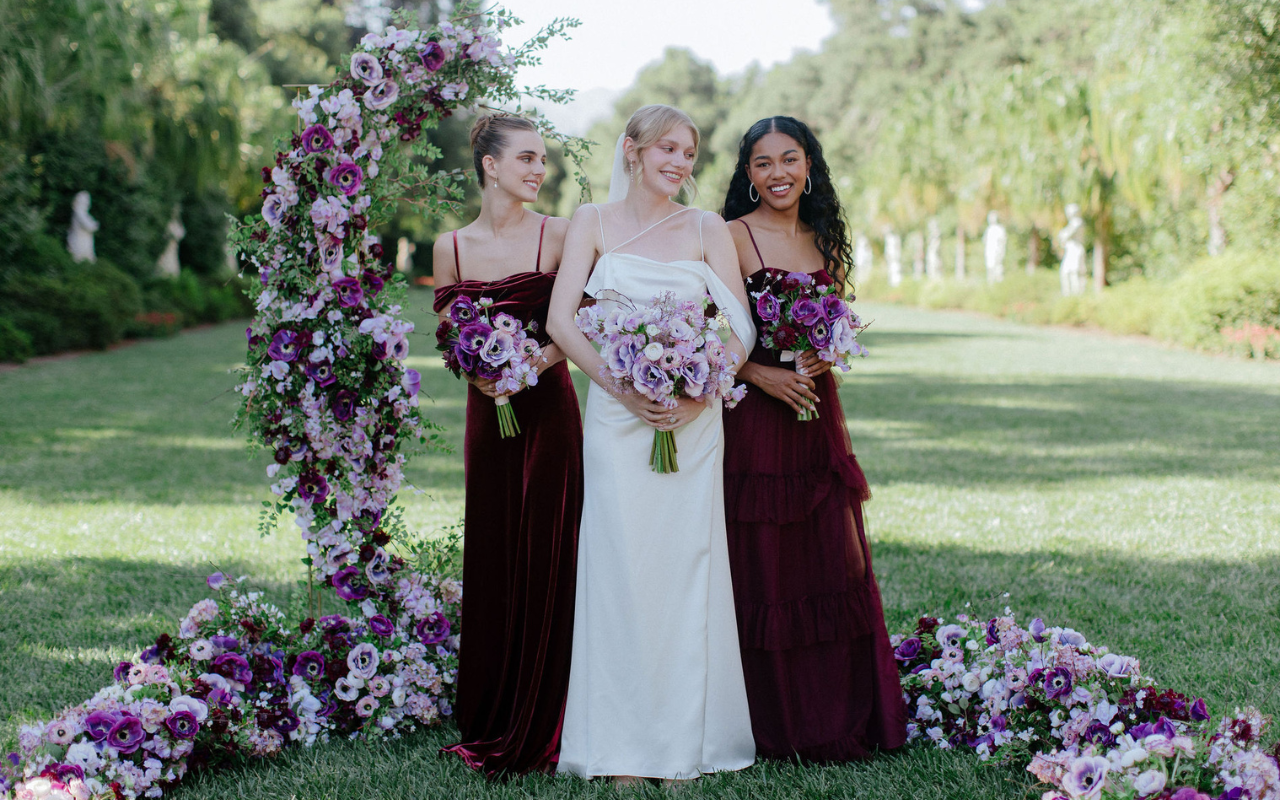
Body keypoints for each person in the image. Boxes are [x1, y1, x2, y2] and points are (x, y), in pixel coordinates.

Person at [546, 104, 757, 781]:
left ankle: (681, 744)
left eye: (689, 153)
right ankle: (618, 748)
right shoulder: (592, 222)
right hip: (615, 418)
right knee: (619, 574)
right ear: (632, 151)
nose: (678, 162)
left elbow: (739, 327)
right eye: (666, 147)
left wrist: (697, 394)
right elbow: (561, 319)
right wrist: (623, 387)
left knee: (683, 572)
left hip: (691, 423)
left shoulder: (706, 228)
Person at [719, 115, 907, 762]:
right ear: (747, 174)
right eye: (764, 162)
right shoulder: (731, 237)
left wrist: (830, 348)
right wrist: (759, 373)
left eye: (790, 159)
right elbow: (703, 331)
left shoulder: (823, 237)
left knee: (829, 556)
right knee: (765, 564)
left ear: (809, 165)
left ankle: (836, 712)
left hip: (816, 411)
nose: (778, 173)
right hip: (756, 416)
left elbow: (836, 318)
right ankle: (772, 719)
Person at [431, 113, 582, 776]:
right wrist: (481, 373)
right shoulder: (451, 249)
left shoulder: (559, 236)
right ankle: (492, 709)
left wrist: (528, 366)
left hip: (547, 410)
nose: (537, 171)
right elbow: (450, 337)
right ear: (490, 166)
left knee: (550, 549)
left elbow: (581, 324)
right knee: (493, 545)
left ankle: (552, 711)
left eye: (541, 160)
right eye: (525, 159)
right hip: (485, 416)